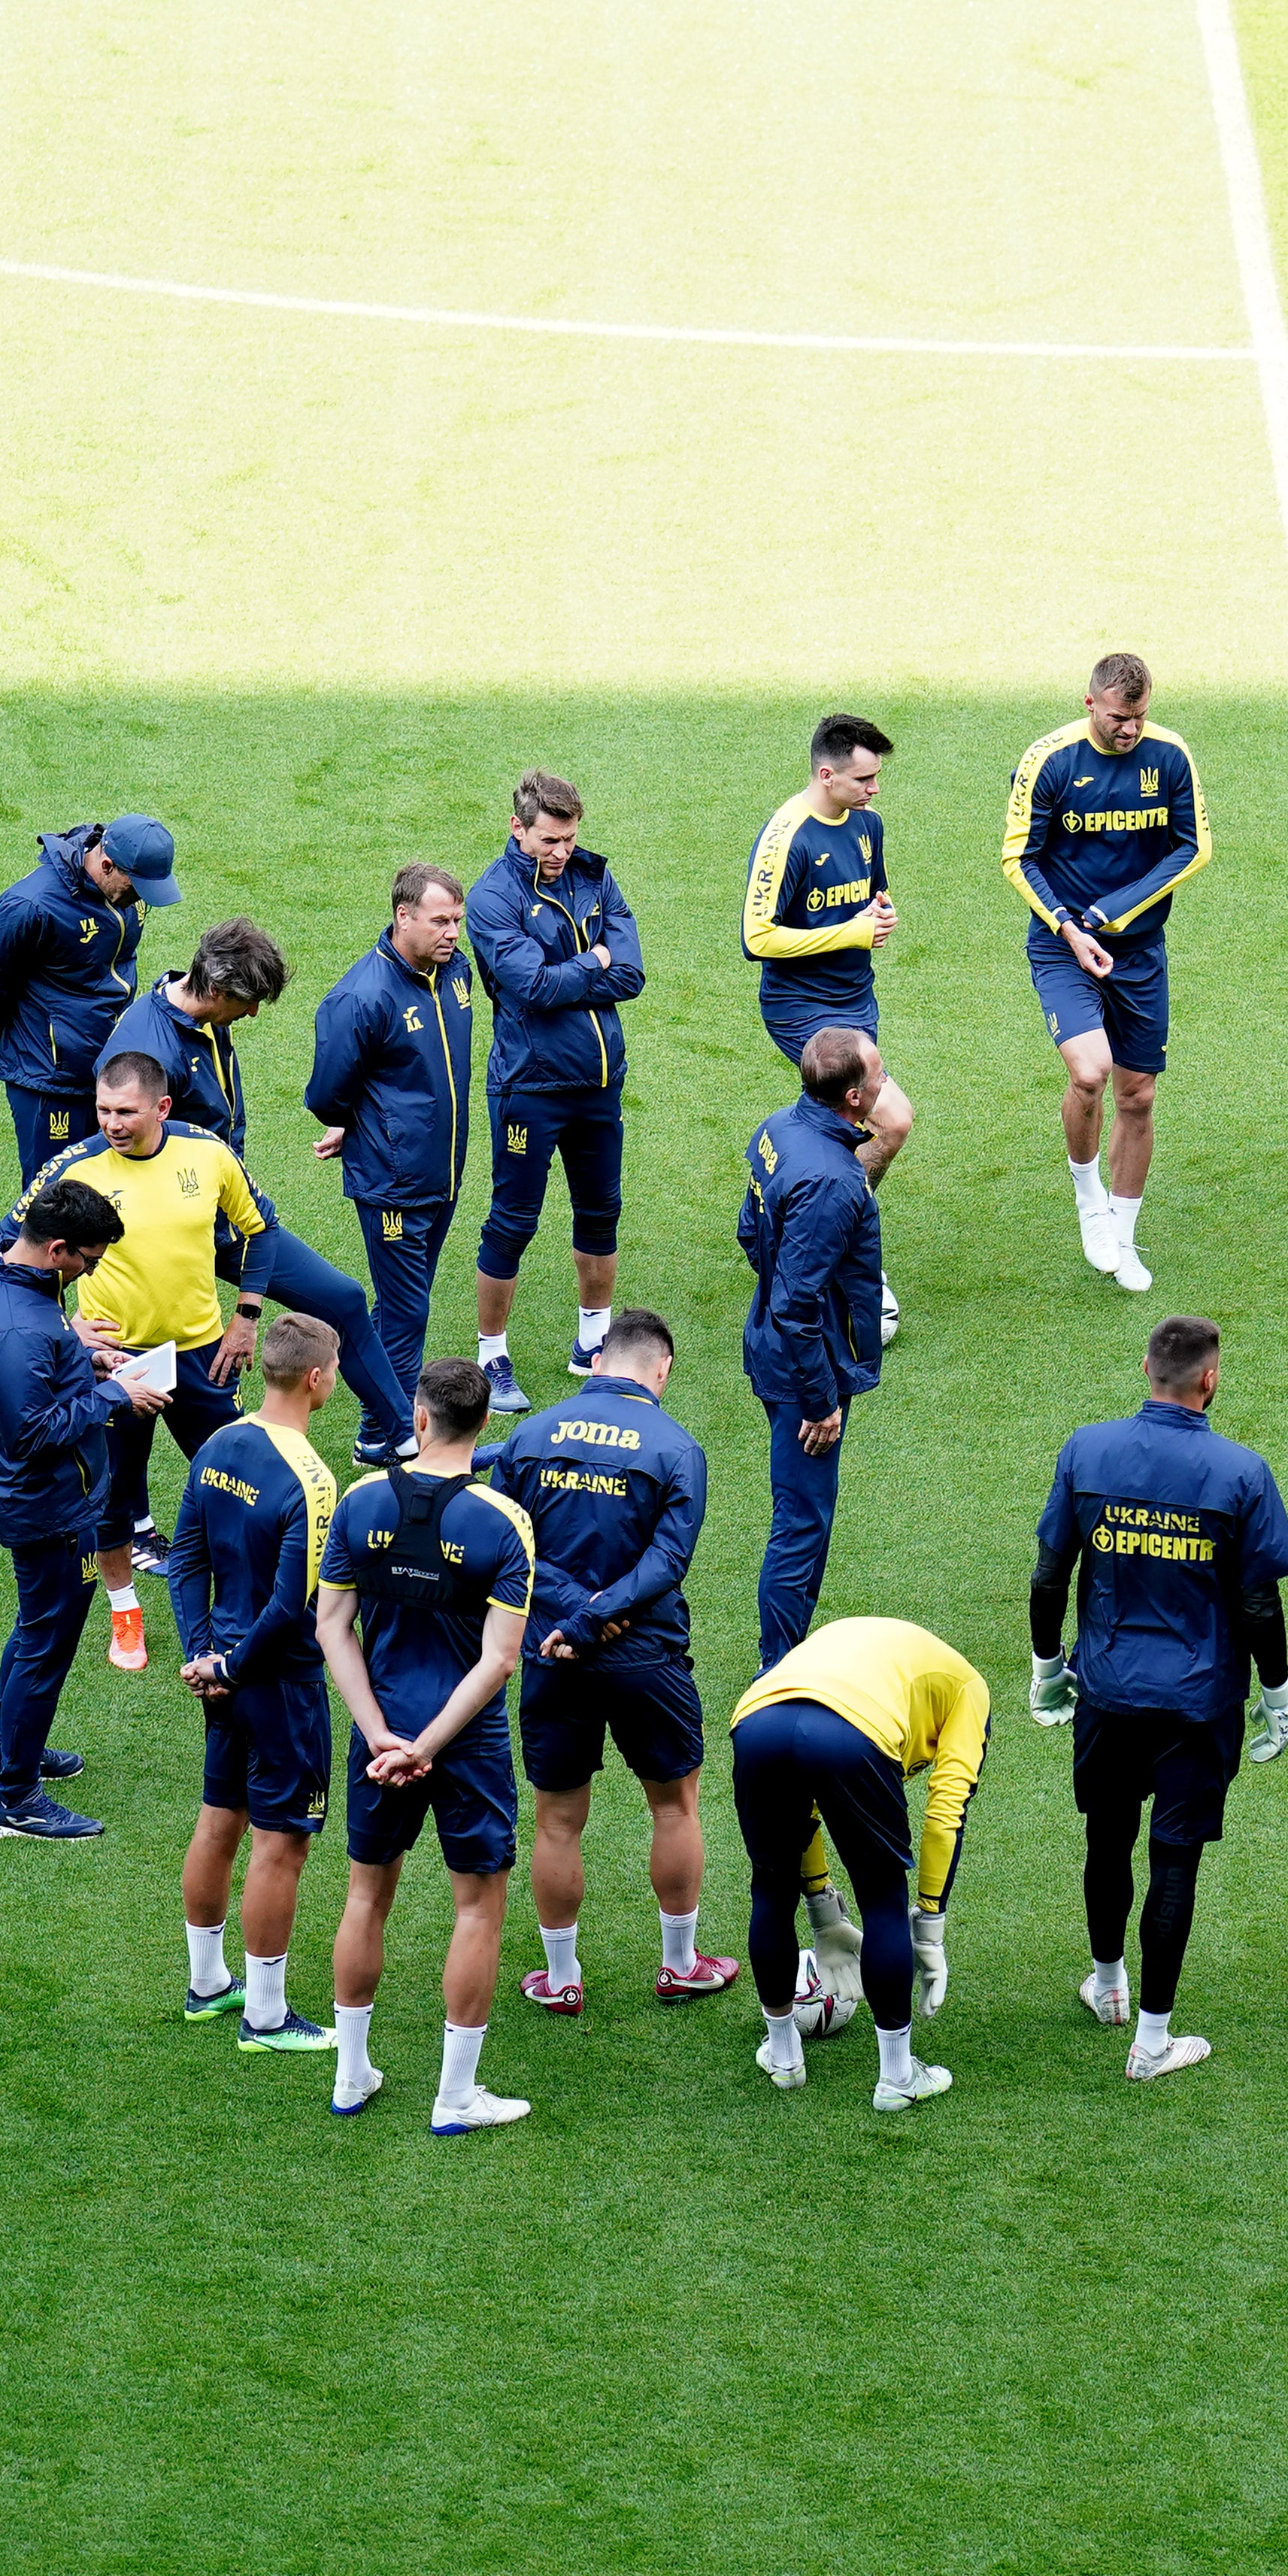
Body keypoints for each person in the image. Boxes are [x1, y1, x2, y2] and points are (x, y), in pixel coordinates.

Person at [1032, 1312, 1288, 2083]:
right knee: (1174, 1859)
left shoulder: (1088, 1450)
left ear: (1147, 1369)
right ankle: (1152, 2040)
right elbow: (1257, 1605)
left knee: (1106, 1837)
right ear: (1209, 1379)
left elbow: (1049, 1573)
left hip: (1109, 1693)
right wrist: (1276, 1695)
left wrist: (1046, 1665)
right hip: (1197, 1702)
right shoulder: (1240, 1472)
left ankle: (1108, 1983)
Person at [486, 1309, 732, 2014]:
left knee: (557, 1820)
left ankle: (561, 1979)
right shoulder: (677, 1447)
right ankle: (680, 1964)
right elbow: (668, 1561)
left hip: (553, 1652)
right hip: (645, 1657)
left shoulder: (531, 1435)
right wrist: (601, 1613)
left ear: (598, 1362)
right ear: (662, 1371)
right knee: (674, 1806)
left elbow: (508, 1541)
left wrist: (571, 1613)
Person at [317, 1360, 541, 2131]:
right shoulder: (503, 1521)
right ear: (482, 1429)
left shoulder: (360, 1502)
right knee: (476, 1910)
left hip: (377, 1730)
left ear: (418, 1420)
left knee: (363, 1897)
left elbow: (331, 1629)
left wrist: (381, 1734)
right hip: (465, 1741)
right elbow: (499, 1660)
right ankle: (455, 2097)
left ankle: (351, 2076)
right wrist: (430, 1745)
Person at [104, 917, 415, 1462]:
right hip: (173, 1233)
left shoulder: (201, 1017)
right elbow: (124, 1154)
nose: (251, 1015)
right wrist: (243, 1312)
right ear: (218, 989)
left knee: (341, 1299)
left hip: (224, 1215)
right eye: (249, 1003)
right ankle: (132, 1526)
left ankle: (405, 1437)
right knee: (149, 1379)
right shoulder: (151, 1053)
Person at [26, 1050, 271, 1668]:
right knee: (109, 1496)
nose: (110, 1122)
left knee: (241, 1481)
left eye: (125, 1111)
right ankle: (125, 1615)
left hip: (202, 1355)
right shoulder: (72, 1167)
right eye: (103, 1109)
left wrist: (245, 1318)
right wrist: (65, 1323)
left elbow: (260, 1231)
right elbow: (17, 1250)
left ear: (161, 1107)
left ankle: (245, 1604)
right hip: (114, 1364)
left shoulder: (208, 1153)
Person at [161, 1315, 346, 2050]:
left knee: (218, 1821)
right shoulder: (312, 1479)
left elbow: (185, 1559)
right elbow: (290, 1604)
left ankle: (207, 1985)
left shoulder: (216, 1444)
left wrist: (203, 1657)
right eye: (333, 1368)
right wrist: (233, 1666)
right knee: (279, 1846)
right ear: (314, 1378)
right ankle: (266, 2016)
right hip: (280, 1686)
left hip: (225, 1680)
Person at [1005, 656, 1215, 1294]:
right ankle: (1088, 1194)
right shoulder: (1049, 760)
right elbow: (1020, 857)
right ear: (1090, 703)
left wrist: (1112, 911)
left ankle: (1122, 1237)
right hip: (1063, 945)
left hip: (1139, 950)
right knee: (1090, 1072)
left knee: (1139, 1095)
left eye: (1141, 715)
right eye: (1121, 717)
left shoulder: (1171, 756)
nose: (1132, 729)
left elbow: (1193, 846)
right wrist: (1072, 926)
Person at [0, 1176, 150, 1840]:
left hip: (32, 1492)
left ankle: (7, 1754)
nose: (92, 1270)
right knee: (48, 1640)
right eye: (88, 1260)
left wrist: (78, 1354)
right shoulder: (21, 1330)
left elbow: (14, 1373)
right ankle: (14, 1799)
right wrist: (115, 1393)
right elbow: (30, 1431)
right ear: (58, 1247)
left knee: (36, 1624)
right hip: (47, 1504)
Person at [732, 1616, 989, 2112]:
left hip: (756, 1720)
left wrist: (824, 1914)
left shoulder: (851, 1646)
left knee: (769, 1889)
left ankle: (784, 2058)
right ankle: (896, 2078)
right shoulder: (969, 1690)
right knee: (882, 1902)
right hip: (852, 1731)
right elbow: (946, 1810)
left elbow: (804, 1790)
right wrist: (930, 1923)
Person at [465, 770, 645, 1402]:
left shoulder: (595, 875)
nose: (561, 852)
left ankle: (593, 1343)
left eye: (568, 838)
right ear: (517, 827)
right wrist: (593, 959)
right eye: (548, 838)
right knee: (512, 1221)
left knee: (601, 1213)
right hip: (529, 1087)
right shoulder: (491, 898)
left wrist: (581, 971)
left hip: (598, 1083)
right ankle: (491, 1356)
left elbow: (632, 975)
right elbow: (531, 988)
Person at [300, 865, 476, 1464]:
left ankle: (378, 1428)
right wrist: (364, 1125)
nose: (453, 932)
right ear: (403, 917)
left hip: (441, 1173)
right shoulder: (363, 996)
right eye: (439, 921)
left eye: (457, 919)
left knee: (405, 1301)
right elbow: (325, 1094)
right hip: (393, 1184)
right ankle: (392, 1435)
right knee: (405, 1310)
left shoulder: (455, 973)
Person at [743, 713, 908, 1327]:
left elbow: (871, 897)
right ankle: (838, 1252)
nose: (874, 789)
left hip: (855, 1003)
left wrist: (879, 917)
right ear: (826, 773)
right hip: (801, 1010)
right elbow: (756, 937)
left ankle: (811, 1239)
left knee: (853, 1129)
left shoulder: (868, 825)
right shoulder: (787, 835)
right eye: (864, 779)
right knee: (889, 1121)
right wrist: (853, 930)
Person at [738, 1027, 890, 1668]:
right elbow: (796, 1307)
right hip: (804, 1370)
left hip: (777, 1345)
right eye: (879, 1073)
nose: (886, 1079)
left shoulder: (777, 1128)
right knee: (801, 1524)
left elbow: (750, 1229)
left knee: (801, 1517)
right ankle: (780, 1670)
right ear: (854, 1098)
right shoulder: (834, 1181)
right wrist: (822, 1401)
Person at [0, 811, 176, 1183]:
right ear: (107, 865)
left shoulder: (120, 893)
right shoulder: (32, 905)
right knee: (57, 1197)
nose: (141, 898)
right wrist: (11, 1044)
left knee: (114, 1187)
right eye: (137, 887)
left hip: (107, 1067)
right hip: (51, 1079)